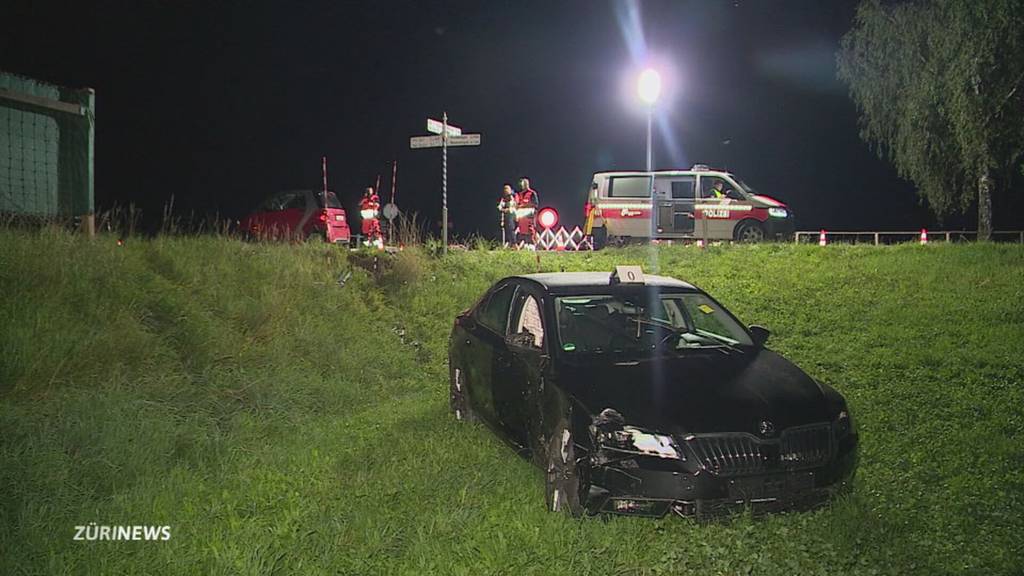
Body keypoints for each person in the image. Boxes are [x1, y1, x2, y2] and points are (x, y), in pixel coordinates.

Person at [515, 177, 539, 246]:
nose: (523, 185)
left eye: (524, 183)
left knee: (530, 230)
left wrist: (523, 206)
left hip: (529, 215)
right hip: (521, 215)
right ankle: (525, 245)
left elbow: (535, 204)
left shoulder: (532, 193)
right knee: (522, 231)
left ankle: (533, 244)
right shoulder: (520, 194)